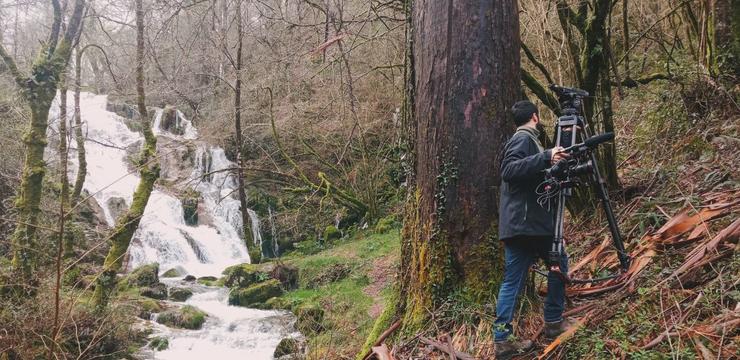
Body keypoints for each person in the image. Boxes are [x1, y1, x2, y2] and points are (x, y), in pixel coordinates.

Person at [493, 100, 574, 359]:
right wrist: (546, 156)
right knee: (558, 263)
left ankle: (503, 341)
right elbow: (509, 170)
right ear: (535, 118)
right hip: (529, 227)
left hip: (523, 225)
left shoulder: (524, 141)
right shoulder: (524, 139)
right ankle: (552, 322)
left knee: (512, 283)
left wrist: (550, 170)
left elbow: (527, 178)